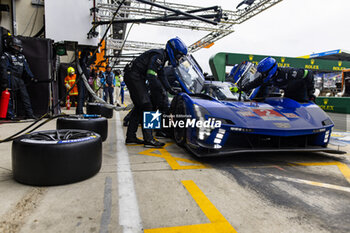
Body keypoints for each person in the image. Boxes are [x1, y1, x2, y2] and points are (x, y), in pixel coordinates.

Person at [124, 37, 187, 148]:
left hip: (134, 76)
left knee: (139, 107)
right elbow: (151, 75)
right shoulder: (159, 56)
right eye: (178, 56)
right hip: (134, 76)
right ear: (172, 51)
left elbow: (161, 75)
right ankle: (149, 140)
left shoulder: (162, 58)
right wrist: (159, 91)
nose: (178, 59)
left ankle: (131, 137)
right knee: (148, 105)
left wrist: (169, 89)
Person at [241, 57, 315, 102]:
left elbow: (309, 74)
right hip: (288, 96)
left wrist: (310, 92)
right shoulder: (267, 77)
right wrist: (243, 88)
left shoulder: (289, 73)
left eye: (264, 73)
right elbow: (255, 82)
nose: (263, 75)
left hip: (302, 96)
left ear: (270, 70)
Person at [0, 36, 36, 119]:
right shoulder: (6, 56)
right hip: (10, 77)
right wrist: (4, 81)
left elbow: (26, 68)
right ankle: (10, 115)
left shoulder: (21, 57)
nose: (18, 48)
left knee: (25, 96)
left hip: (20, 79)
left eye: (19, 47)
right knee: (10, 97)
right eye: (17, 46)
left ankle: (29, 114)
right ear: (11, 45)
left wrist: (31, 77)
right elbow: (3, 69)